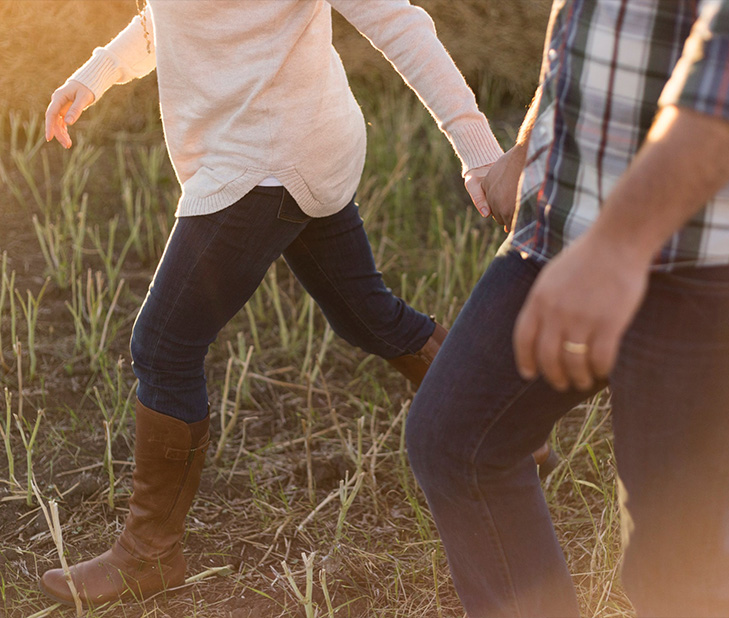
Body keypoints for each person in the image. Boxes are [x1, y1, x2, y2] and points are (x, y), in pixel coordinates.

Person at [39, 0, 512, 607]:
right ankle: (502, 426)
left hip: (265, 158)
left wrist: (481, 154)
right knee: (364, 315)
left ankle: (149, 553)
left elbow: (397, 21)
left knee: (163, 345)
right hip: (294, 139)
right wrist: (94, 75)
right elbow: (170, 19)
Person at [406, 1, 729, 616]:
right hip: (563, 227)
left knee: (679, 571)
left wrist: (617, 248)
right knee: (458, 441)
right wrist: (532, 142)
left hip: (707, 260)